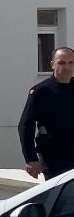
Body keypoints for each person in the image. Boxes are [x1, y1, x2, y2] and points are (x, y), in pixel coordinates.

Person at [18, 47, 74, 179]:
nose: (66, 67)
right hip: (54, 157)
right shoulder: (41, 91)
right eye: (61, 63)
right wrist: (31, 158)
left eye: (71, 62)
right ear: (52, 65)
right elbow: (26, 126)